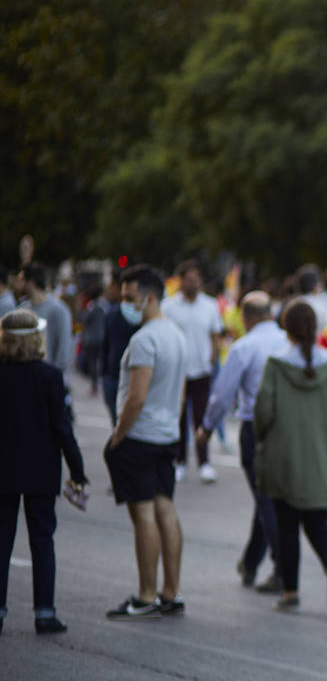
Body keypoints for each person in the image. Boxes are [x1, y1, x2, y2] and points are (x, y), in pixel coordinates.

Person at [104, 265, 190, 619]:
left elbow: (136, 398)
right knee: (165, 508)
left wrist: (118, 436)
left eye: (130, 297)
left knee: (143, 515)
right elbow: (181, 392)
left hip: (140, 436)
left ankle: (146, 594)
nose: (125, 304)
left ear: (150, 297)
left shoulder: (144, 340)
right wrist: (172, 425)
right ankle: (171, 592)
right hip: (166, 434)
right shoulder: (176, 334)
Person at [252, 300, 327, 615]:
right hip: (322, 456)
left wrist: (260, 438)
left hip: (285, 456)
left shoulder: (277, 364)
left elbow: (263, 411)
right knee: (319, 521)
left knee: (287, 526)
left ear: (286, 328)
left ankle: (290, 592)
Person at [0, 309, 87, 635]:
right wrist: (77, 470)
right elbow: (62, 428)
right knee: (42, 540)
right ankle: (44, 612)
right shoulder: (50, 376)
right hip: (41, 469)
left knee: (1, 540)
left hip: (4, 469)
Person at [197, 291, 289, 591]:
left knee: (266, 499)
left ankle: (283, 569)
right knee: (267, 498)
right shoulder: (290, 342)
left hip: (256, 427)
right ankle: (251, 563)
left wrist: (207, 427)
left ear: (247, 318)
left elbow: (223, 394)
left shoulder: (244, 347)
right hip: (288, 428)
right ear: (271, 314)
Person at [161, 260, 225, 483]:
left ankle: (204, 463)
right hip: (177, 372)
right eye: (189, 279)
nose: (194, 283)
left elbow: (215, 335)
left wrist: (213, 360)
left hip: (202, 371)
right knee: (178, 419)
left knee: (201, 418)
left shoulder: (209, 305)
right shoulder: (169, 306)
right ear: (181, 281)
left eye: (197, 279)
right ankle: (180, 462)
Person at [17, 264, 73, 375]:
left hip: (48, 378)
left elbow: (64, 350)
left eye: (21, 280)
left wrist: (54, 377)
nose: (18, 285)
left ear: (30, 283)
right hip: (24, 377)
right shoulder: (21, 309)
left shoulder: (59, 309)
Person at [98, 279, 139, 426]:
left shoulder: (142, 319)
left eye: (130, 297)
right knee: (116, 422)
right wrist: (104, 374)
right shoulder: (112, 315)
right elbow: (105, 345)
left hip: (134, 379)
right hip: (113, 377)